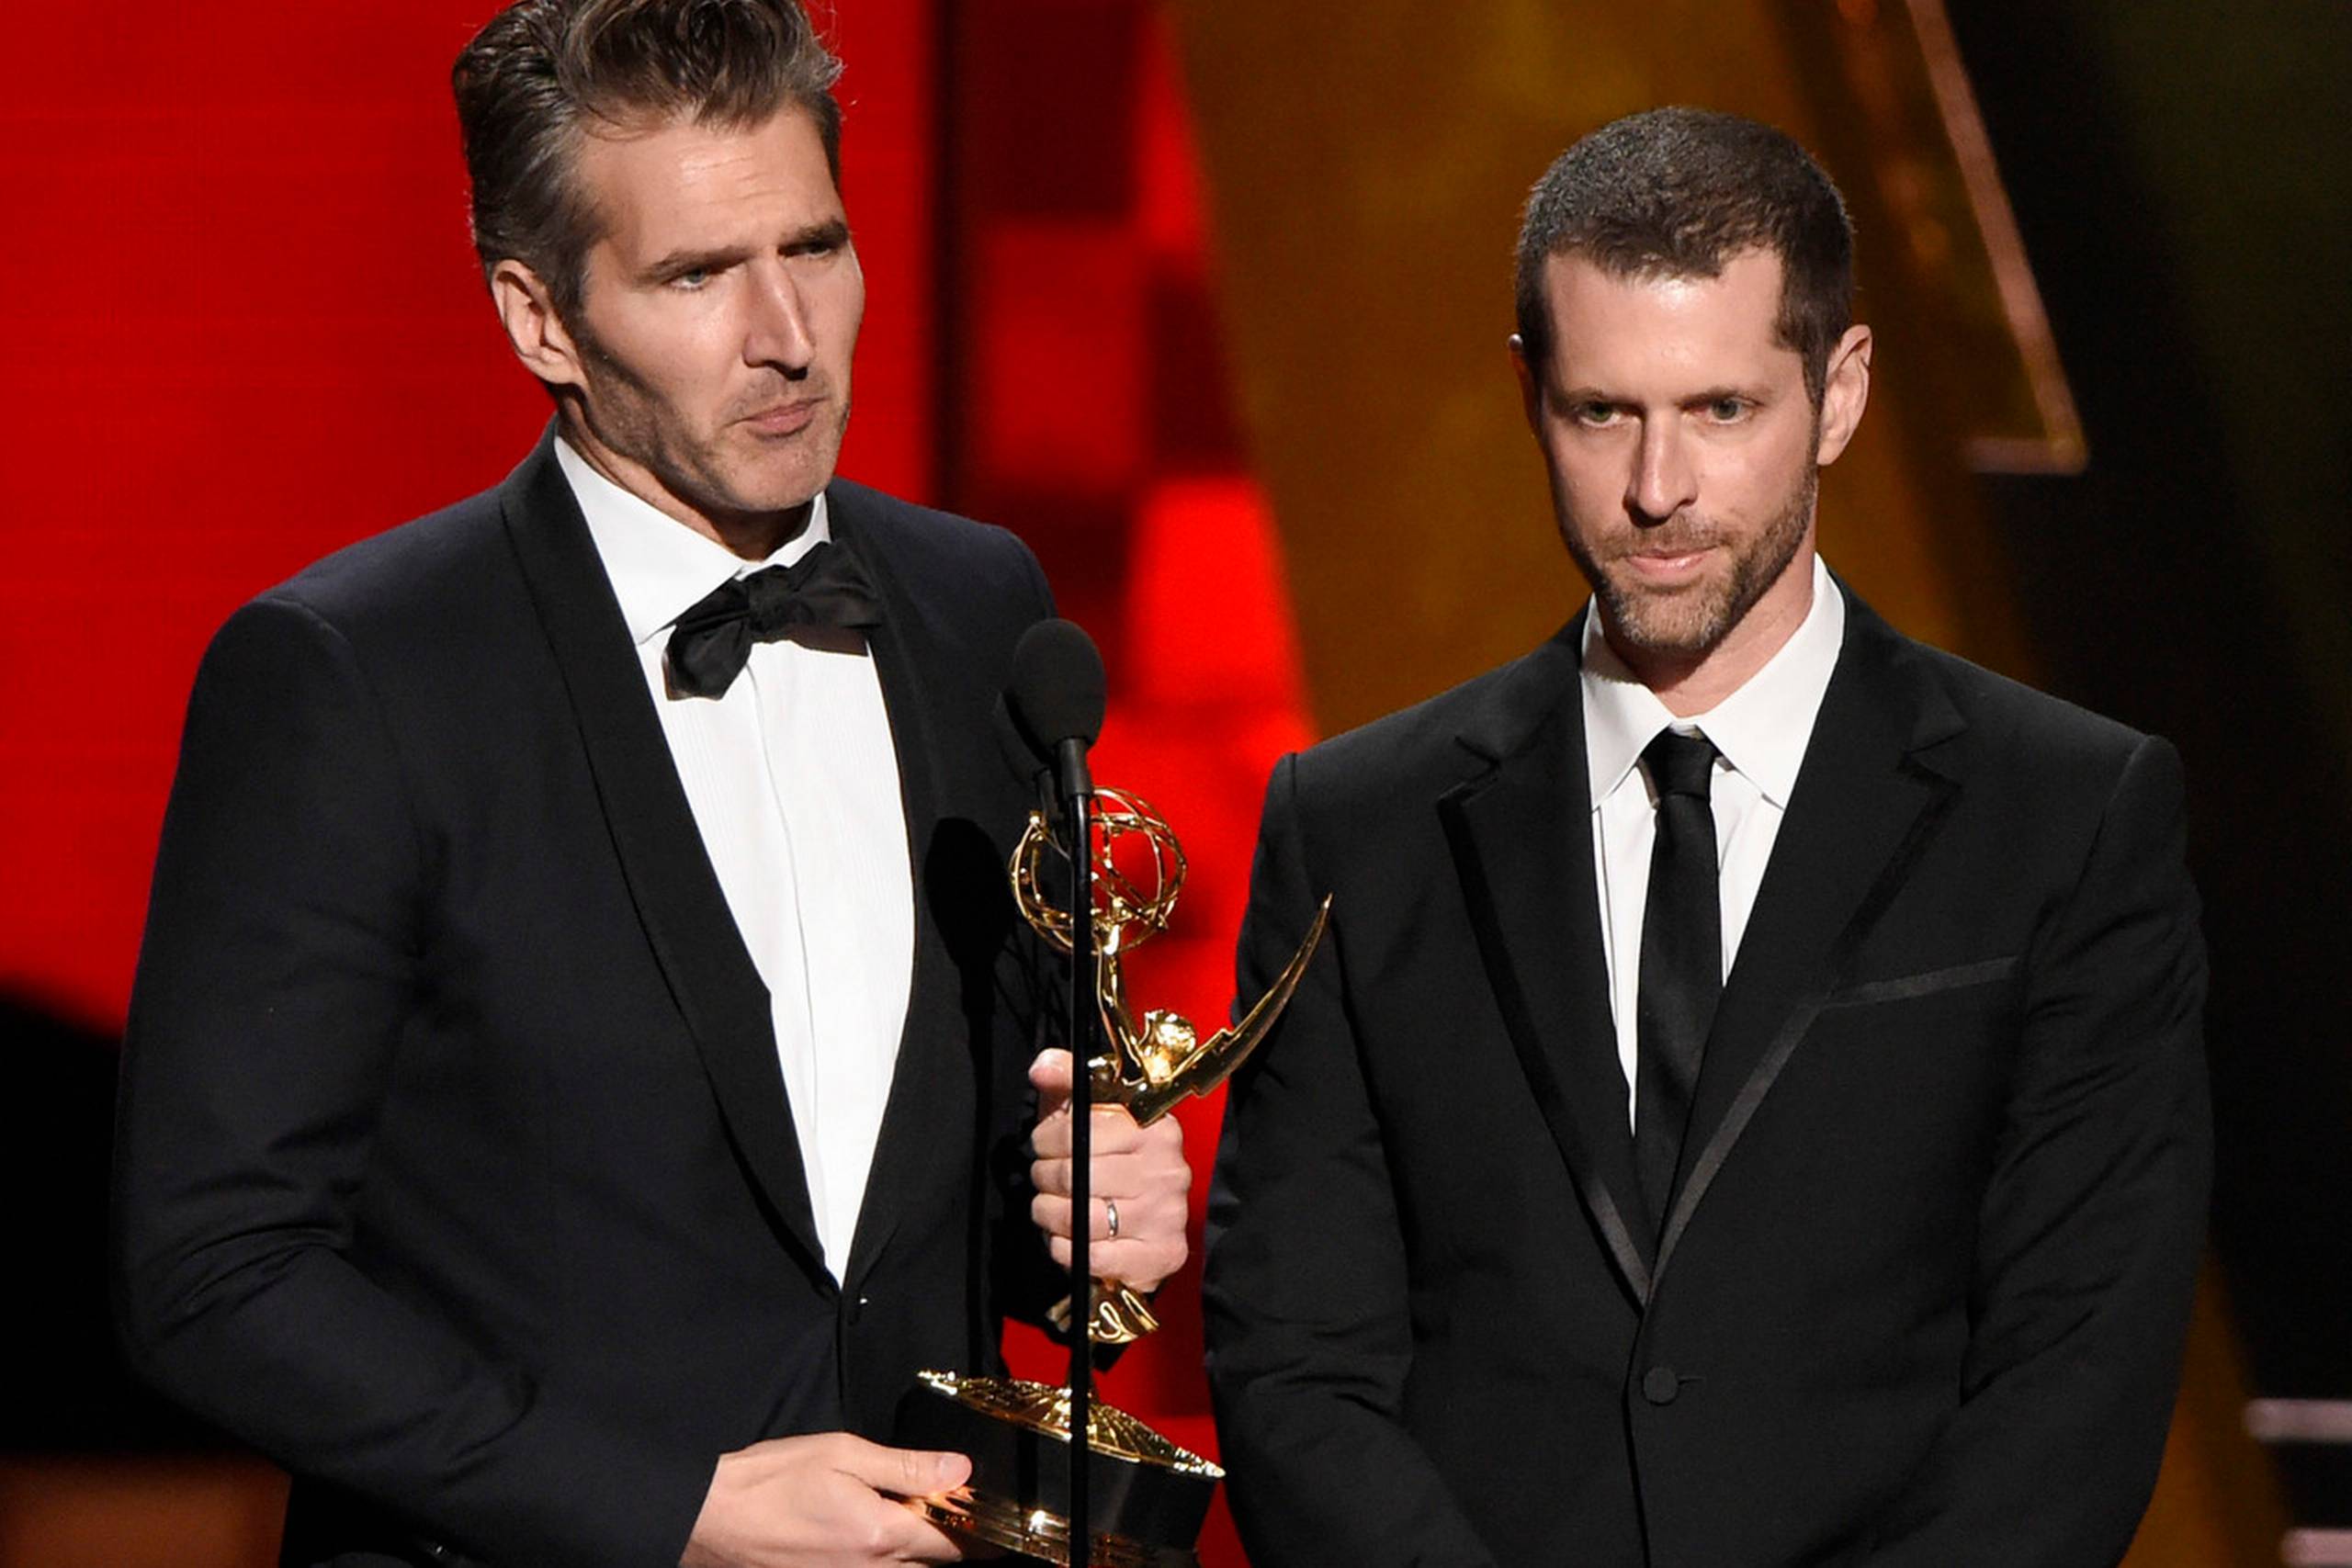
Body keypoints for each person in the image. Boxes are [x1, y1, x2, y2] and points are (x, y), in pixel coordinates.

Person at [111, 4, 1190, 1564]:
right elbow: (211, 1273)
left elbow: (961, 1174)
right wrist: (663, 1511)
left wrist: (1088, 1213)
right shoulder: (351, 676)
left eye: (815, 247)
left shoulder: (978, 609)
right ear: (541, 320)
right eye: (697, 275)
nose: (789, 334)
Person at [1203, 106, 2209, 1567]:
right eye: (1603, 411)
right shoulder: (1358, 827)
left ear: (1842, 390)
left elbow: (2078, 1389)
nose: (1659, 490)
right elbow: (1297, 1366)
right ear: (1528, 392)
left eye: (1723, 411)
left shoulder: (2066, 816)